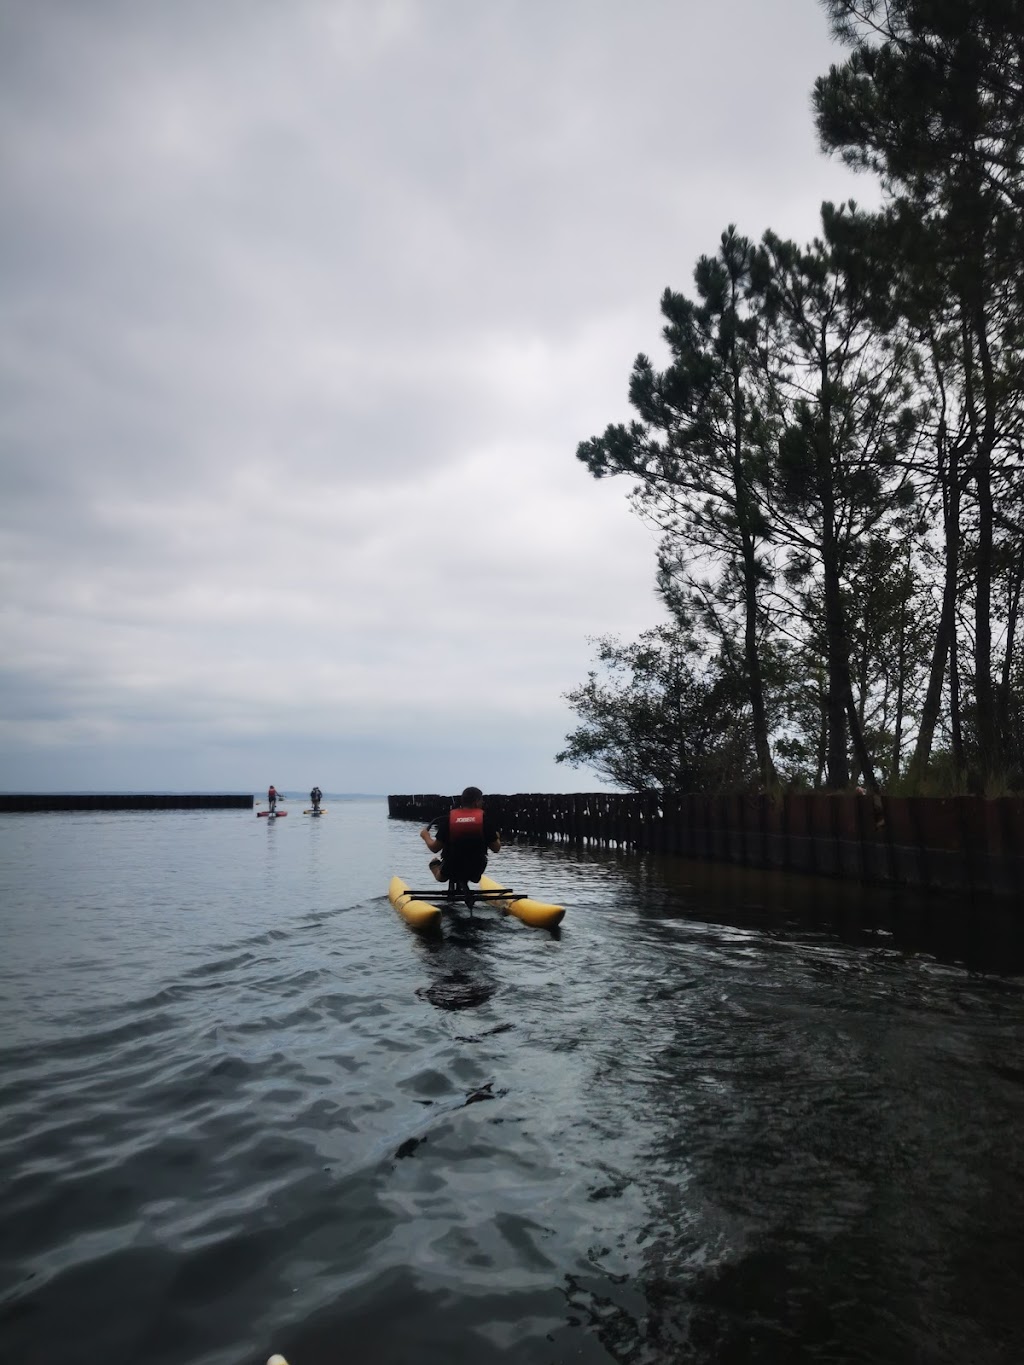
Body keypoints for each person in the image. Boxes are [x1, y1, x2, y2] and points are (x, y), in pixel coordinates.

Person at [420, 786, 501, 885]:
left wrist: (425, 836)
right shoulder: (484, 821)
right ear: (476, 802)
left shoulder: (450, 820)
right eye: (481, 801)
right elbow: (496, 848)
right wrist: (497, 836)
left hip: (451, 867)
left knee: (440, 874)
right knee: (474, 870)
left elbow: (434, 848)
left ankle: (436, 868)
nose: (482, 803)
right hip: (476, 869)